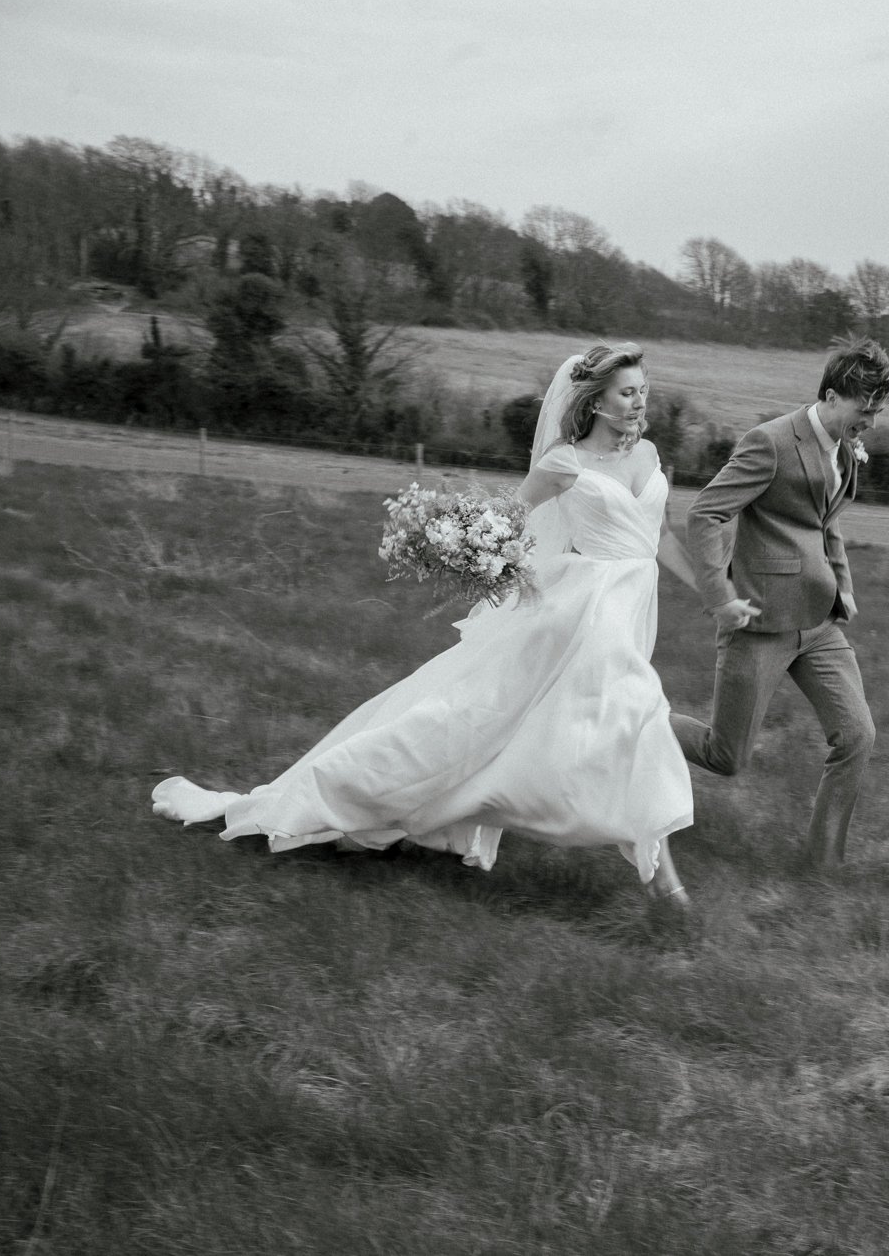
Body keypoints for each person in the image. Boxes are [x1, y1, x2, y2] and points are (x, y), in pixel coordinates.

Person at [151, 343, 699, 909]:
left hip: (629, 607)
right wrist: (456, 541)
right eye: (627, 393)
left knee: (531, 724)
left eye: (643, 391)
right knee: (633, 716)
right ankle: (667, 886)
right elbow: (507, 520)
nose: (640, 402)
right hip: (585, 610)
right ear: (596, 402)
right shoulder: (564, 462)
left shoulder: (649, 454)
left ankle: (494, 801)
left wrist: (714, 594)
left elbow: (658, 537)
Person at [672, 335, 889, 865]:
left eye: (877, 413)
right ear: (832, 396)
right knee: (726, 757)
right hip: (760, 622)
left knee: (857, 735)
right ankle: (638, 722)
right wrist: (720, 597)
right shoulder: (770, 442)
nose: (870, 423)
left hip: (818, 624)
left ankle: (823, 866)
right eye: (864, 410)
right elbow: (705, 513)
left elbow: (826, 522)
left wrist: (844, 585)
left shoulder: (845, 451)